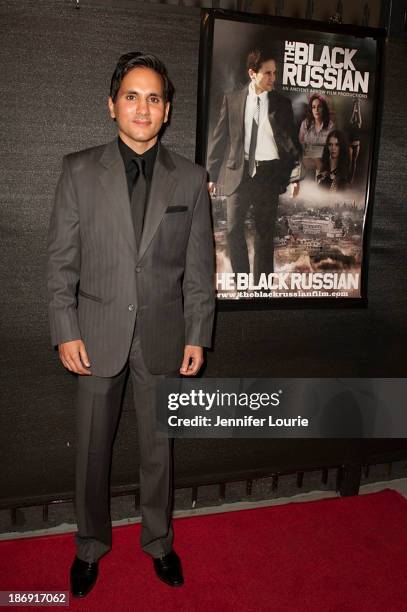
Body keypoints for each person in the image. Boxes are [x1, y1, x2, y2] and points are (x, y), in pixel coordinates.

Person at [46, 52, 215, 598]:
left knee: (158, 452)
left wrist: (197, 333)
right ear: (112, 104)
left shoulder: (190, 179)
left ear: (166, 112)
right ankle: (90, 546)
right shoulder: (78, 170)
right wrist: (65, 327)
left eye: (155, 98)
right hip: (94, 335)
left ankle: (159, 543)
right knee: (92, 452)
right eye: (132, 96)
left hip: (165, 336)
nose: (143, 107)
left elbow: (199, 269)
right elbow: (61, 263)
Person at [207, 49, 300, 284]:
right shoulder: (233, 99)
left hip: (269, 175)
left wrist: (295, 177)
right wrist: (211, 174)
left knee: (264, 235)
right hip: (238, 172)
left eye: (274, 73)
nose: (273, 78)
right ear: (252, 73)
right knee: (232, 230)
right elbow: (220, 138)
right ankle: (242, 285)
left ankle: (261, 290)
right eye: (267, 73)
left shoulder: (282, 104)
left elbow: (291, 144)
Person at [298, 93, 334, 177]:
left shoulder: (330, 125)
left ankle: (321, 181)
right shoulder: (305, 124)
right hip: (307, 159)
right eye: (313, 107)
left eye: (319, 107)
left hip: (324, 159)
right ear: (311, 109)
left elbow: (332, 147)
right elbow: (300, 144)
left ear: (324, 109)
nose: (316, 110)